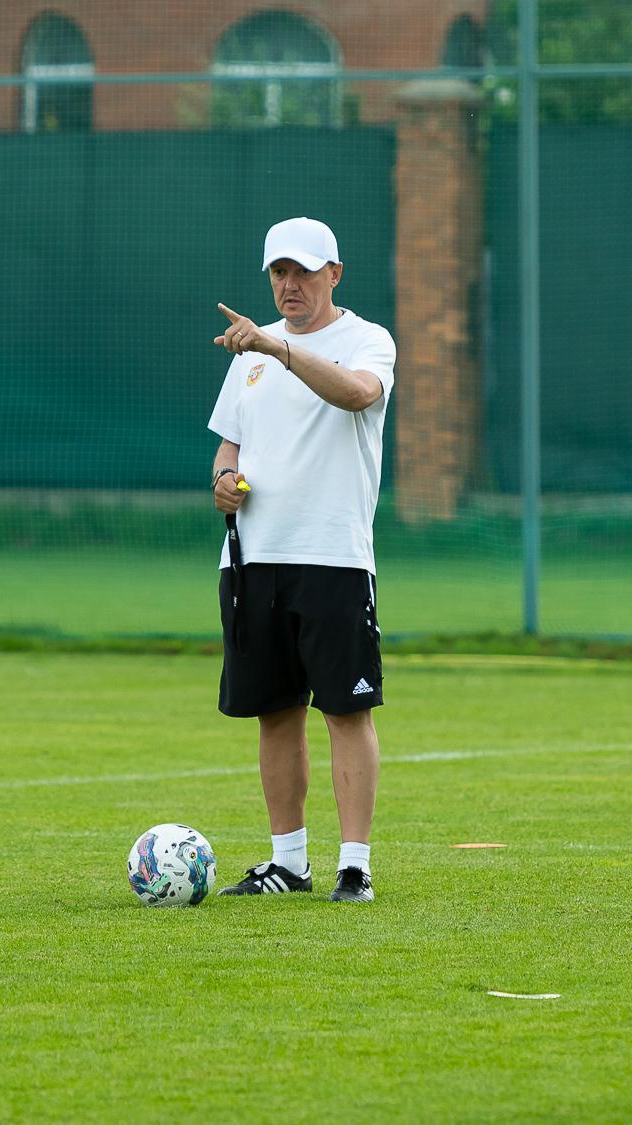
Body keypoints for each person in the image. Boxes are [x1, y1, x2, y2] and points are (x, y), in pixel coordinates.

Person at [206, 216, 396, 905]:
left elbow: (357, 394)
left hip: (332, 558)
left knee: (346, 710)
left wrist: (276, 348)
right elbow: (230, 443)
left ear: (334, 274)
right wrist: (222, 479)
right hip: (252, 558)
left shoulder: (368, 340)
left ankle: (354, 866)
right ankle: (288, 862)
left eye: (304, 272)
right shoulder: (249, 353)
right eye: (279, 273)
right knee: (274, 711)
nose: (290, 285)